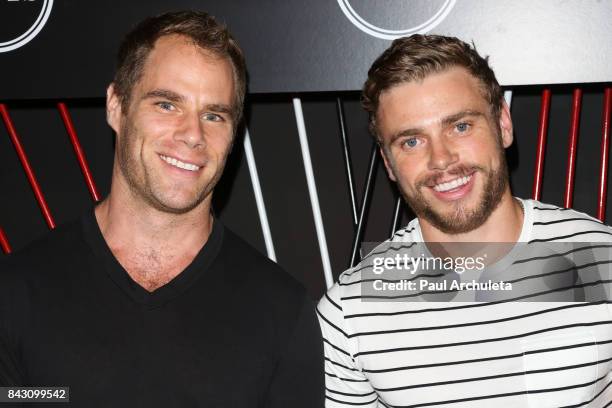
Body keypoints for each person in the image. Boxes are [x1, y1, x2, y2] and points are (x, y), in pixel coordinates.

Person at [0, 11, 324, 407]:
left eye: (213, 115)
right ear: (116, 106)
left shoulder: (282, 312)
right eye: (167, 105)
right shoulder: (16, 294)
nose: (192, 135)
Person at [318, 35, 612, 407]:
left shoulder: (599, 257)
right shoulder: (351, 310)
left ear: (503, 124)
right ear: (388, 163)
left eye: (460, 126)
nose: (441, 159)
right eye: (411, 141)